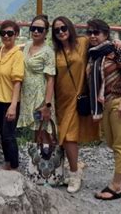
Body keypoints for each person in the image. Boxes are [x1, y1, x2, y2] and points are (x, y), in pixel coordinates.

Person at [85, 19, 121, 201]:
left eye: (96, 32)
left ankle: (116, 186)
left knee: (120, 144)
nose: (92, 36)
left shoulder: (117, 49)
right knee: (111, 142)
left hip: (120, 101)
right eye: (89, 32)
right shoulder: (92, 54)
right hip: (104, 103)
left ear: (105, 34)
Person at [51, 16, 100, 193]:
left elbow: (100, 40)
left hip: (77, 98)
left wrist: (116, 44)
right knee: (62, 137)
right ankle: (73, 166)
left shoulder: (83, 42)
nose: (61, 32)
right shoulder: (55, 52)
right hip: (61, 100)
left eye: (63, 28)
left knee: (70, 136)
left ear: (70, 28)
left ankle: (74, 174)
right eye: (56, 30)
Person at [0, 20, 24, 171]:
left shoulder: (17, 55)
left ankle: (14, 166)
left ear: (16, 34)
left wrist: (13, 106)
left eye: (10, 33)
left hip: (10, 101)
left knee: (8, 135)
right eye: (3, 33)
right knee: (2, 133)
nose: (6, 36)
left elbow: (17, 81)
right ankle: (7, 163)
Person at [18, 15, 56, 133]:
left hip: (40, 97)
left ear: (46, 32)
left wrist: (47, 105)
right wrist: (3, 49)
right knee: (35, 130)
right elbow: (17, 49)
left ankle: (47, 152)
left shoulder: (48, 52)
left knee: (43, 130)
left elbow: (50, 80)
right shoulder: (28, 45)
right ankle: (37, 151)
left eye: (40, 29)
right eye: (33, 28)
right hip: (27, 96)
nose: (35, 31)